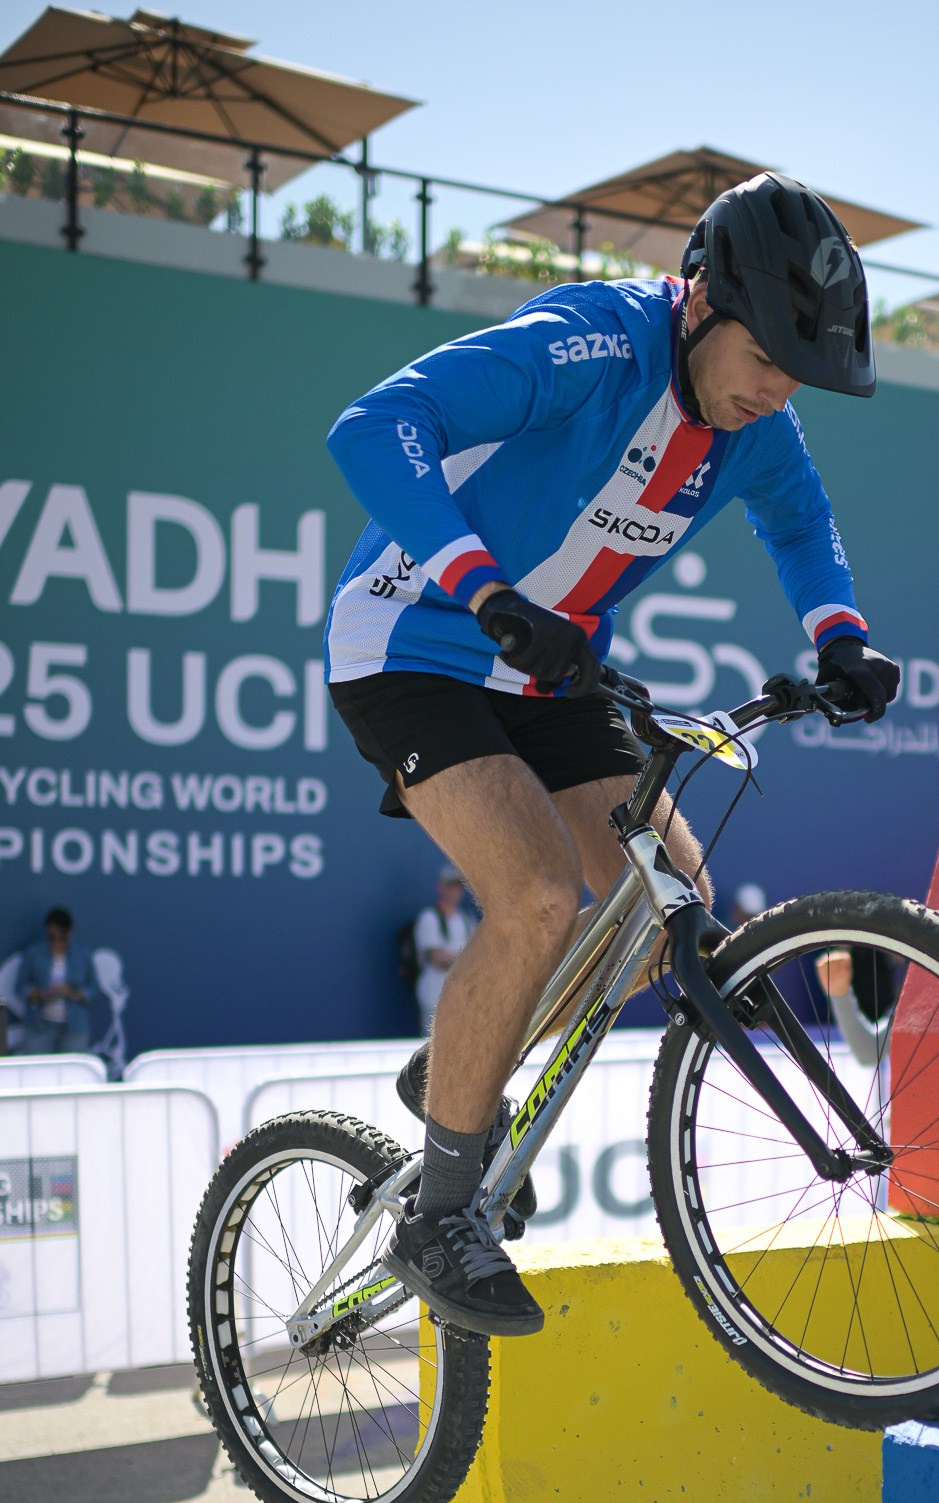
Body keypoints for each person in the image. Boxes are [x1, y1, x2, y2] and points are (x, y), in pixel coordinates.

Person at [324, 171, 900, 1338]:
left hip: (549, 669)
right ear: (701, 301)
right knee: (539, 893)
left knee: (661, 905)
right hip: (414, 643)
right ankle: (439, 1218)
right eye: (766, 355)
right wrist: (482, 587)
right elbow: (373, 427)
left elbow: (800, 522)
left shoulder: (754, 426)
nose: (776, 388)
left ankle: (452, 1076)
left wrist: (839, 634)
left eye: (798, 372)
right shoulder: (590, 343)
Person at [16, 908, 99, 1054]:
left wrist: (71, 992)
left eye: (62, 937)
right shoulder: (33, 953)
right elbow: (20, 987)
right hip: (40, 1026)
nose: (57, 942)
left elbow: (94, 989)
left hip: (74, 1027)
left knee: (72, 1067)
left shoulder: (83, 954)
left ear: (70, 932)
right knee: (38, 1066)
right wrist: (39, 994)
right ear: (47, 931)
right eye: (52, 937)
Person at [412, 863, 476, 1038]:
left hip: (463, 1000)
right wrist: (466, 960)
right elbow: (437, 959)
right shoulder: (429, 918)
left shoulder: (467, 920)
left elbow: (481, 957)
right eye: (450, 885)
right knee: (432, 1047)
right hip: (434, 999)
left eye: (458, 886)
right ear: (440, 887)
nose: (454, 891)